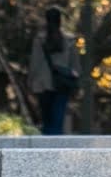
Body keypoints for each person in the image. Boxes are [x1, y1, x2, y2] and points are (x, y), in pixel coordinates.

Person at [25, 8, 84, 136]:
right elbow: (75, 65)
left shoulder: (40, 40)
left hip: (43, 84)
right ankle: (55, 144)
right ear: (60, 21)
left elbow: (34, 63)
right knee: (58, 118)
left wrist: (30, 82)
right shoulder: (69, 40)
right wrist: (77, 81)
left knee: (47, 118)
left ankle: (47, 144)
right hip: (63, 83)